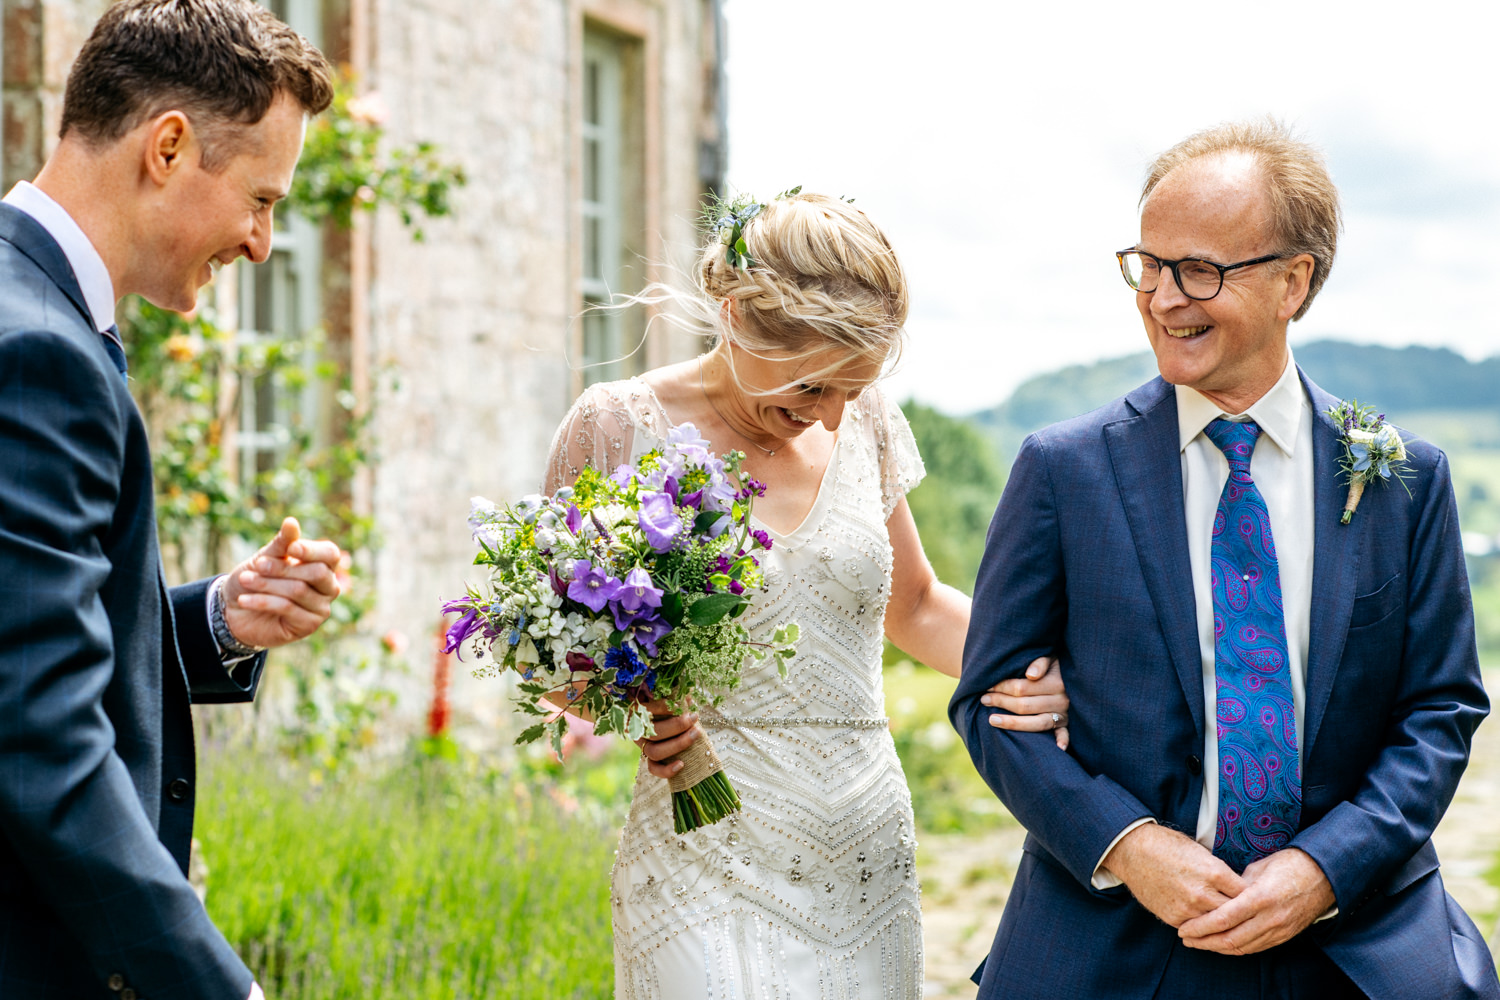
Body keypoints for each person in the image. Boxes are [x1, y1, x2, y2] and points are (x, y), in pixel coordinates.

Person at [951, 119, 1499, 1000]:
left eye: (1199, 270)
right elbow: (986, 703)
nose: (1163, 297)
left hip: (1349, 935)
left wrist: (1327, 866)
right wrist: (1129, 847)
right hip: (1117, 933)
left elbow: (1439, 709)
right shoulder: (1061, 470)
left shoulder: (1404, 476)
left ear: (1294, 281)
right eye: (1149, 265)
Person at [543, 191, 1069, 998]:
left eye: (851, 390)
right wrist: (630, 697)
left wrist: (1056, 675)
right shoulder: (615, 427)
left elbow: (919, 608)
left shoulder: (866, 423)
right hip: (701, 842)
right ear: (735, 315)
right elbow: (551, 657)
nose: (830, 413)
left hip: (861, 855)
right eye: (815, 385)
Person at [0, 2, 340, 998]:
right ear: (170, 147)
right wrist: (215, 984)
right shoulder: (39, 352)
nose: (263, 242)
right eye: (261, 198)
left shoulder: (38, 311)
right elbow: (36, 731)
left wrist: (218, 621)